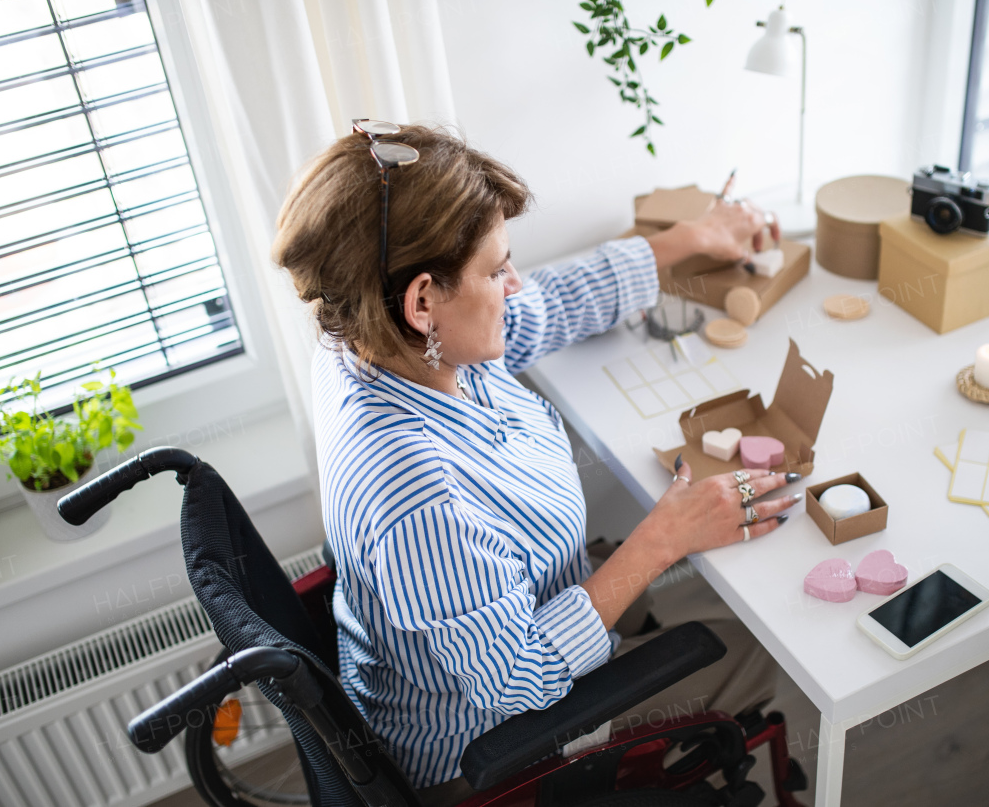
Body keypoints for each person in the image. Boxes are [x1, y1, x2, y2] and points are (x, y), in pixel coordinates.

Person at [273, 122, 801, 803]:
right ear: (424, 301)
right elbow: (518, 677)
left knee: (699, 586)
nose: (515, 283)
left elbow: (543, 305)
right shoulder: (415, 494)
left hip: (498, 636)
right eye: (496, 271)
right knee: (759, 644)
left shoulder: (379, 341)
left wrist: (687, 241)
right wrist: (662, 539)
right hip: (496, 755)